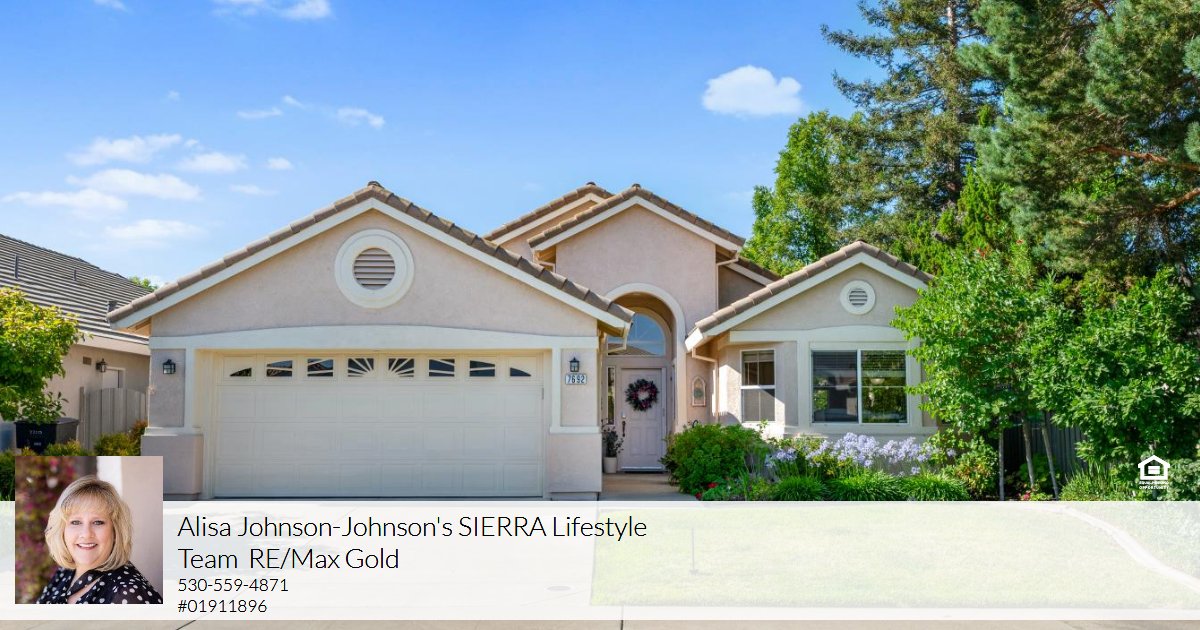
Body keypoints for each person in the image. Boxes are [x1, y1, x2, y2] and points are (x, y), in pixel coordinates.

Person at [36, 475, 162, 604]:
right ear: (62, 530)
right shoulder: (64, 573)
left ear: (115, 531)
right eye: (75, 522)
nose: (86, 534)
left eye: (98, 522)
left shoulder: (129, 593)